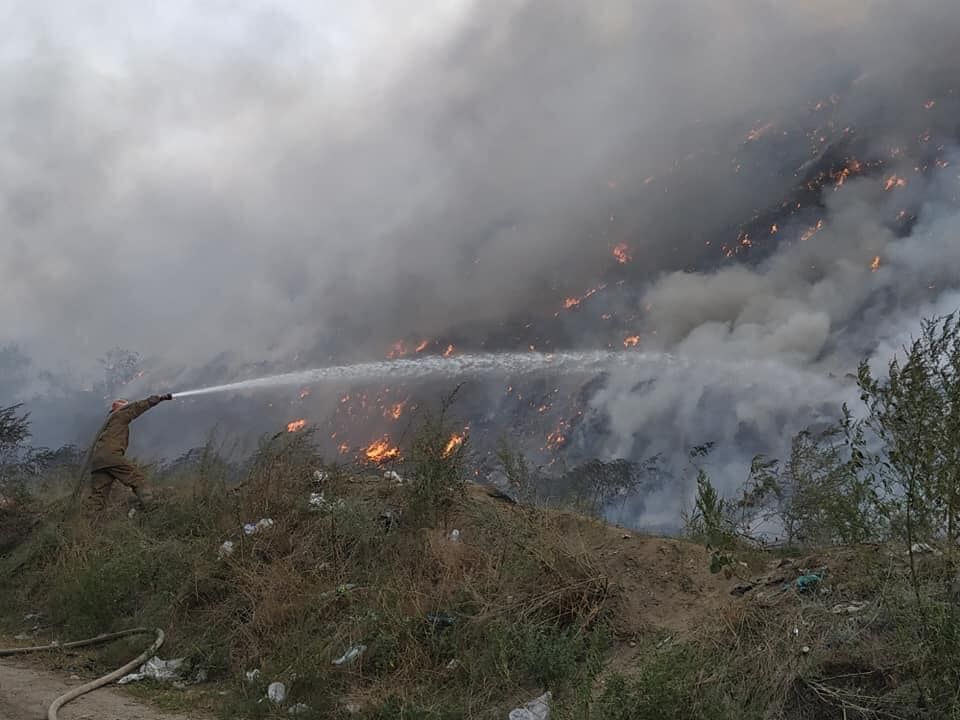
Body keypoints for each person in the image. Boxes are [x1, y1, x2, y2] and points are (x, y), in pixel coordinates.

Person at [86, 393, 172, 513]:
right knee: (137, 479)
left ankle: (88, 523)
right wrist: (155, 400)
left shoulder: (107, 423)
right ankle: (151, 507)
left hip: (98, 462)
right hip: (111, 456)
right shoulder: (119, 415)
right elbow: (135, 408)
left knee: (98, 496)